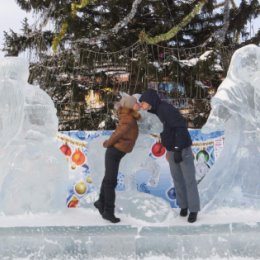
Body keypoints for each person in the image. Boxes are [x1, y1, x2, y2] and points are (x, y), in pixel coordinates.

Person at [139, 89, 200, 223]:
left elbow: (180, 127)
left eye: (143, 102)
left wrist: (178, 148)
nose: (142, 105)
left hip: (182, 148)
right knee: (177, 179)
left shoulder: (166, 109)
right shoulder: (155, 112)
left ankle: (194, 210)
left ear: (150, 101)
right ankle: (183, 206)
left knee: (189, 179)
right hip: (171, 150)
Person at [94, 96, 141, 223]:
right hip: (114, 152)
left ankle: (100, 202)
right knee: (110, 182)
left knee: (108, 179)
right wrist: (108, 143)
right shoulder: (128, 118)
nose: (138, 104)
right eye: (136, 103)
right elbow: (118, 133)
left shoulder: (130, 117)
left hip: (117, 152)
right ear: (130, 106)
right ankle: (108, 212)